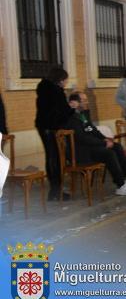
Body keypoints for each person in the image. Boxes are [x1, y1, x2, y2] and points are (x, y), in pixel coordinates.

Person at [66, 92, 126, 196]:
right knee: (109, 153)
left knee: (116, 146)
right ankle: (121, 186)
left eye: (86, 100)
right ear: (74, 103)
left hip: (90, 147)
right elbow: (82, 138)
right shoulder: (71, 118)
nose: (87, 103)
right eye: (84, 101)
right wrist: (103, 143)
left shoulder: (83, 115)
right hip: (81, 152)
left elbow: (93, 130)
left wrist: (105, 139)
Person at [35, 67, 74, 201]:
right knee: (55, 158)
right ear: (59, 79)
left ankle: (55, 190)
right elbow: (63, 112)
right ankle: (56, 191)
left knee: (51, 157)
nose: (65, 83)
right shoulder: (56, 92)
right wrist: (72, 108)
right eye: (65, 80)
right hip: (51, 128)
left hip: (43, 126)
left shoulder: (44, 89)